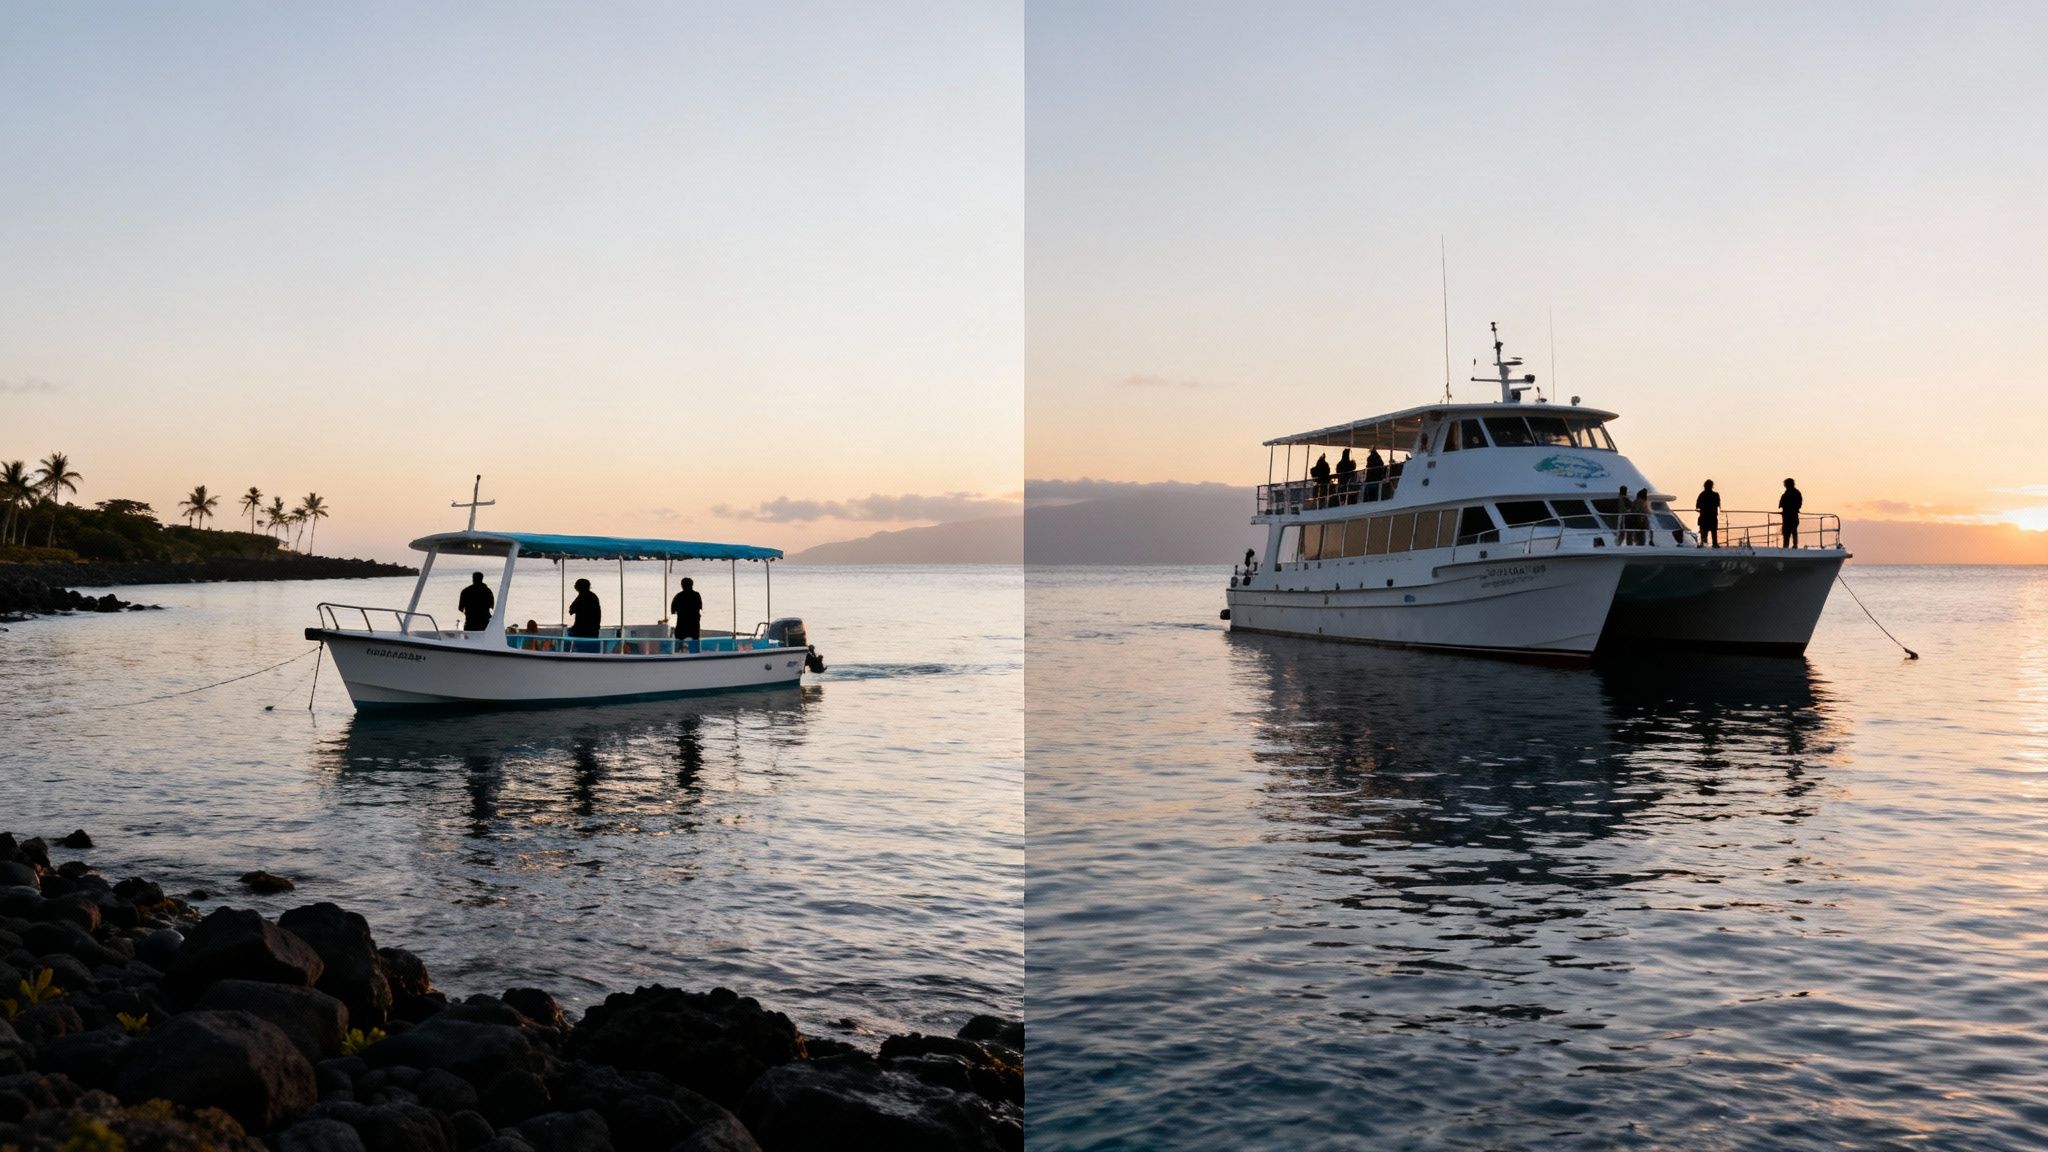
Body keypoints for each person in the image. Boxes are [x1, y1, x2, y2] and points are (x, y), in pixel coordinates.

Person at [567, 578, 602, 652]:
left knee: (572, 637)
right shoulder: (592, 596)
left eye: (576, 585)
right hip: (593, 629)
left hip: (582, 629)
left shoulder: (583, 597)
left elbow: (571, 610)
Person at [671, 576, 704, 652]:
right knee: (695, 639)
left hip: (682, 623)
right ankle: (696, 652)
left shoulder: (679, 596)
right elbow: (700, 607)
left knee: (679, 638)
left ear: (682, 585)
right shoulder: (696, 595)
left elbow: (673, 610)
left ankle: (677, 651)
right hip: (694, 623)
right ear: (692, 585)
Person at [1695, 480, 1721, 548]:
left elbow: (1697, 506)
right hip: (1712, 517)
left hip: (1704, 517)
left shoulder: (1702, 495)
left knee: (1704, 534)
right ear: (1712, 486)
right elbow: (1718, 505)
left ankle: (1703, 545)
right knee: (1714, 533)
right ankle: (1715, 544)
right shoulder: (1715, 495)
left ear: (1704, 486)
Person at [1779, 478, 1803, 547]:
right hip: (1791, 516)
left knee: (1788, 532)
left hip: (1789, 516)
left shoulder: (1787, 494)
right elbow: (1799, 503)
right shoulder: (1796, 493)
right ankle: (1794, 545)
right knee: (1793, 531)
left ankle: (1787, 546)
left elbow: (1782, 504)